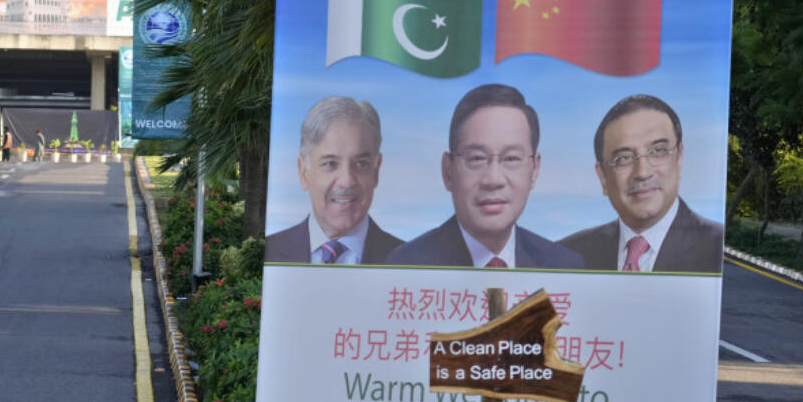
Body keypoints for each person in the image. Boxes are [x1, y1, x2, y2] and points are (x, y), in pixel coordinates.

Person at [387, 84, 582, 269]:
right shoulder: (405, 267)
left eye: (511, 158)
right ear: (448, 171)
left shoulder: (565, 266)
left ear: (534, 170)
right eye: (477, 158)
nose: (493, 180)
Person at [559, 94, 723, 272]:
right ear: (603, 177)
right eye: (623, 158)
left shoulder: (717, 248)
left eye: (658, 151)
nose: (643, 172)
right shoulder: (567, 255)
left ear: (679, 158)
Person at [265, 96, 402, 264]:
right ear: (303, 172)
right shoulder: (268, 254)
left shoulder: (409, 260)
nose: (347, 181)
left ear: (376, 170)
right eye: (330, 164)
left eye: (361, 164)